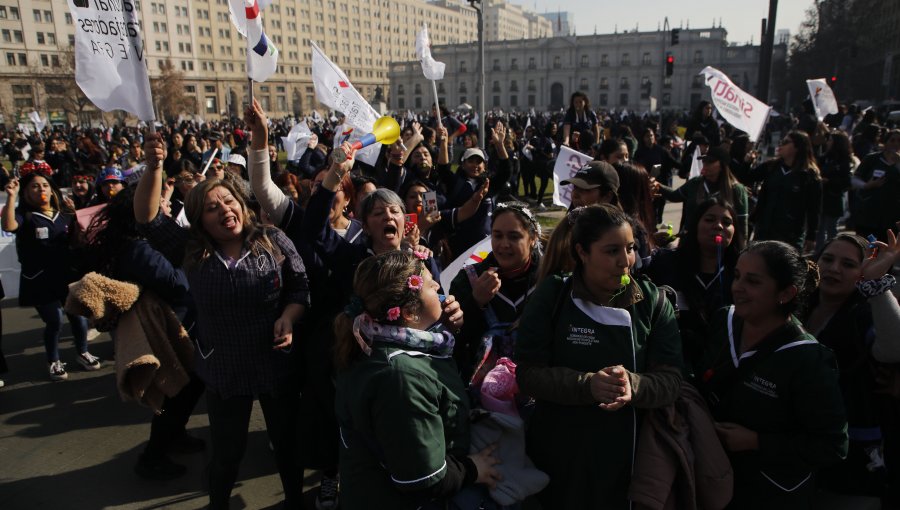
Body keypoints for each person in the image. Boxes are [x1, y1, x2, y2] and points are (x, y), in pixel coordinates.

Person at [135, 126, 311, 509]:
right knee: (227, 453)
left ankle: (295, 502)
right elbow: (148, 219)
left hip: (275, 364)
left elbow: (300, 289)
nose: (224, 211)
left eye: (228, 202)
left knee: (286, 446)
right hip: (223, 368)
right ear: (199, 220)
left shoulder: (272, 240)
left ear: (242, 204)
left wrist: (289, 318)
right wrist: (154, 167)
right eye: (212, 208)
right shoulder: (192, 251)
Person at [514, 203, 683, 509]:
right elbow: (527, 374)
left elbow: (671, 381)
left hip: (630, 462)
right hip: (560, 457)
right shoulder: (553, 295)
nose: (625, 262)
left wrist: (633, 385)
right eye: (611, 251)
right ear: (582, 252)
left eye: (630, 248)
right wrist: (587, 385)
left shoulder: (655, 303)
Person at [333, 250, 500, 509]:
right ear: (410, 312)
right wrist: (473, 468)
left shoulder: (378, 340)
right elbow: (423, 481)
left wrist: (443, 325)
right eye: (431, 284)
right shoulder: (400, 377)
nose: (438, 286)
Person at [696, 240, 849, 509]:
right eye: (737, 276)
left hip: (769, 493)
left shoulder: (808, 358)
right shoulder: (725, 321)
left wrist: (757, 442)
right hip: (710, 479)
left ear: (786, 293)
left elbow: (833, 445)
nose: (737, 288)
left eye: (753, 282)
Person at [84, 186, 206, 480]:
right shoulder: (138, 248)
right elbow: (176, 284)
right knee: (178, 392)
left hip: (169, 324)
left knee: (187, 390)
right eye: (159, 203)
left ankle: (174, 437)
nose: (164, 207)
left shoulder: (131, 243)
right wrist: (195, 259)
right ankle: (153, 457)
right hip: (167, 329)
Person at [800, 232, 900, 503]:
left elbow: (893, 349)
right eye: (828, 259)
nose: (834, 268)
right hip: (794, 449)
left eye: (848, 264)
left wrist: (876, 282)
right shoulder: (797, 306)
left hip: (850, 459)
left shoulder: (865, 316)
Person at [1, 168, 99, 381]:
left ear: (52, 190)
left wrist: (77, 227)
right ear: (26, 192)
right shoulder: (24, 215)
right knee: (54, 320)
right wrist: (11, 197)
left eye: (45, 185)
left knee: (78, 317)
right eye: (35, 186)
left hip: (66, 275)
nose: (41, 190)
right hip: (39, 279)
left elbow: (75, 241)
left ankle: (82, 352)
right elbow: (8, 225)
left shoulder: (64, 213)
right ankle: (53, 360)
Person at [645, 198, 742, 372]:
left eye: (727, 222)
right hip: (671, 363)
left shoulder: (741, 272)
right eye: (710, 219)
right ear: (695, 224)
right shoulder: (666, 263)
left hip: (723, 366)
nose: (719, 226)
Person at [449, 202, 542, 383]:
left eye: (514, 237)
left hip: (536, 387)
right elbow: (452, 340)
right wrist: (475, 302)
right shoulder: (469, 278)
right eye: (497, 236)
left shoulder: (549, 278)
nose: (504, 244)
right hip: (480, 391)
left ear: (533, 238)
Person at [657, 145, 749, 248]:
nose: (705, 164)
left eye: (710, 161)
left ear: (722, 166)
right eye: (704, 161)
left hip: (720, 245)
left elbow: (742, 228)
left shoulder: (737, 190)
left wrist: (741, 252)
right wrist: (657, 186)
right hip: (690, 241)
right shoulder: (695, 183)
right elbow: (674, 196)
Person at [747, 131, 823, 253]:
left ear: (798, 147)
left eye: (786, 142)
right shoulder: (771, 167)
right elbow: (746, 177)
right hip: (764, 229)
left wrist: (811, 236)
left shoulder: (809, 176)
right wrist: (747, 162)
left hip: (790, 234)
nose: (781, 145)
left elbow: (814, 209)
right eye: (781, 142)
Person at [850, 129, 900, 242]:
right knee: (869, 248)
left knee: (887, 249)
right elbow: (855, 179)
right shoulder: (872, 159)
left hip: (892, 217)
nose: (896, 144)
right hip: (869, 215)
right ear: (885, 142)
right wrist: (866, 185)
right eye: (892, 140)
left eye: (899, 141)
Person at [815, 131, 853, 252]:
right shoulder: (824, 157)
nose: (828, 142)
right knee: (819, 228)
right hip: (822, 196)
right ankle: (818, 253)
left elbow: (846, 182)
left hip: (834, 197)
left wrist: (830, 181)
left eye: (831, 140)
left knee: (831, 228)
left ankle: (832, 251)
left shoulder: (844, 161)